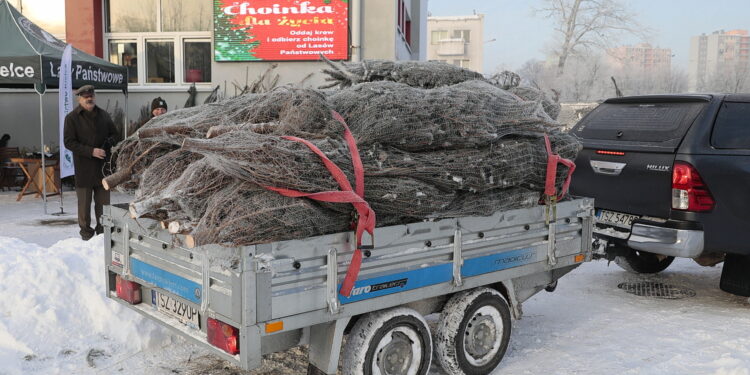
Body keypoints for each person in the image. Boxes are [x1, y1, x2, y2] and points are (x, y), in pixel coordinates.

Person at [63, 85, 118, 241]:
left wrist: (109, 143)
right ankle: (86, 235)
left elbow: (115, 134)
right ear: (79, 98)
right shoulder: (72, 118)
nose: (89, 98)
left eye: (91, 95)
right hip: (84, 168)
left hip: (102, 169)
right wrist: (90, 151)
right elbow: (68, 142)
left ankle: (103, 235)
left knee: (104, 206)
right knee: (84, 207)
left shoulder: (104, 115)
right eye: (86, 96)